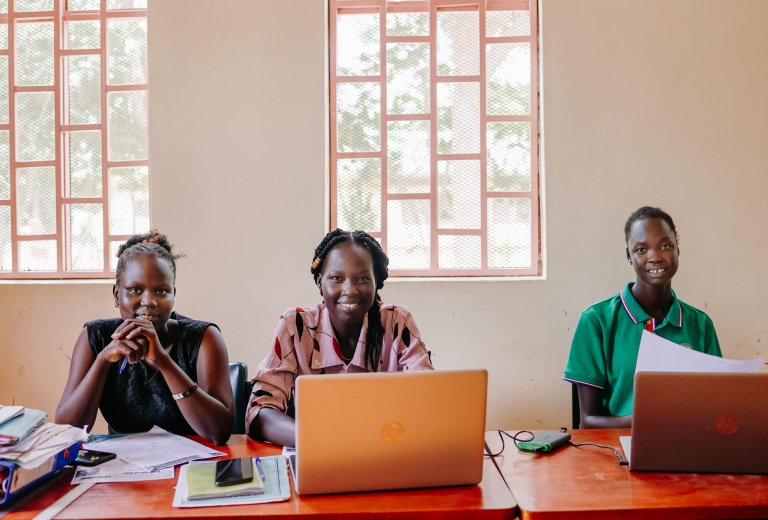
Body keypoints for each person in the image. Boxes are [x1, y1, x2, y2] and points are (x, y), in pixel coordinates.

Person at [247, 229, 433, 446]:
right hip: (316, 453)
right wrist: (317, 439)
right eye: (336, 278)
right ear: (319, 282)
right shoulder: (295, 326)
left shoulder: (396, 322)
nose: (349, 290)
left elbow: (426, 399)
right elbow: (260, 410)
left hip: (385, 450)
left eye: (362, 278)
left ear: (377, 282)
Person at [56, 232, 234, 445]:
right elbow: (68, 430)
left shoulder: (203, 338)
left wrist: (162, 361)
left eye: (161, 291)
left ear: (173, 294)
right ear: (116, 294)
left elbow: (219, 433)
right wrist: (103, 361)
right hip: (123, 468)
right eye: (134, 290)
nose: (149, 301)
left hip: (192, 466)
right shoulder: (95, 337)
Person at [563, 207, 722, 429]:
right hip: (618, 450)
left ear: (678, 250)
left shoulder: (701, 324)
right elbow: (588, 421)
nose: (655, 257)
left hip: (688, 446)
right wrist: (653, 422)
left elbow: (716, 405)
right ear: (629, 256)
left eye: (665, 246)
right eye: (641, 249)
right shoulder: (596, 321)